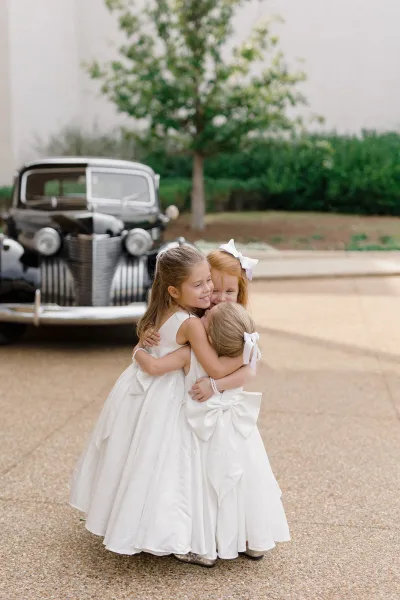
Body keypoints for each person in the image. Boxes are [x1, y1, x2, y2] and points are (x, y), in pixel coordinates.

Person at [69, 246, 243, 562]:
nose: (209, 290)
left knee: (141, 461)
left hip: (142, 394)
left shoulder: (158, 312)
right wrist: (248, 355)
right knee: (172, 465)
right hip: (168, 397)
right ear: (175, 290)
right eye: (200, 284)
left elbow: (148, 355)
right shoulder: (191, 324)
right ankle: (174, 536)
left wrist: (141, 353)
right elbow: (215, 368)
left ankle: (132, 521)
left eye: (209, 282)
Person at [135, 302, 290, 565]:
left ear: (210, 335)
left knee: (200, 486)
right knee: (240, 481)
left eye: (207, 316)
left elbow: (154, 367)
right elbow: (249, 371)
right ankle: (249, 537)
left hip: (199, 432)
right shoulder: (245, 354)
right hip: (235, 430)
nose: (202, 314)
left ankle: (203, 546)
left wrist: (139, 349)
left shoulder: (189, 354)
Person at [141, 239, 259, 402]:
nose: (221, 298)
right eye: (215, 290)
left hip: (214, 396)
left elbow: (249, 371)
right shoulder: (191, 315)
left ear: (239, 293)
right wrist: (147, 332)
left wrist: (215, 385)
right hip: (183, 394)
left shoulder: (235, 325)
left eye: (230, 291)